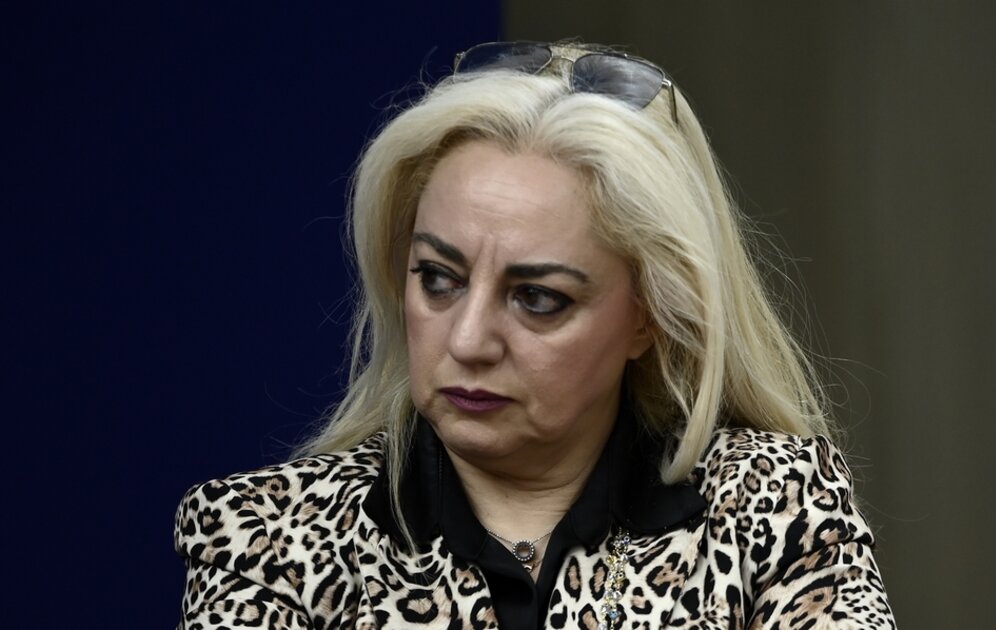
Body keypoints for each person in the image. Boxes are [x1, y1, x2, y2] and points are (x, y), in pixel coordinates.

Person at [174, 41, 895, 629]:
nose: (468, 341)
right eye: (439, 279)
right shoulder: (268, 538)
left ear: (650, 314)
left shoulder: (776, 503)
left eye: (537, 298)